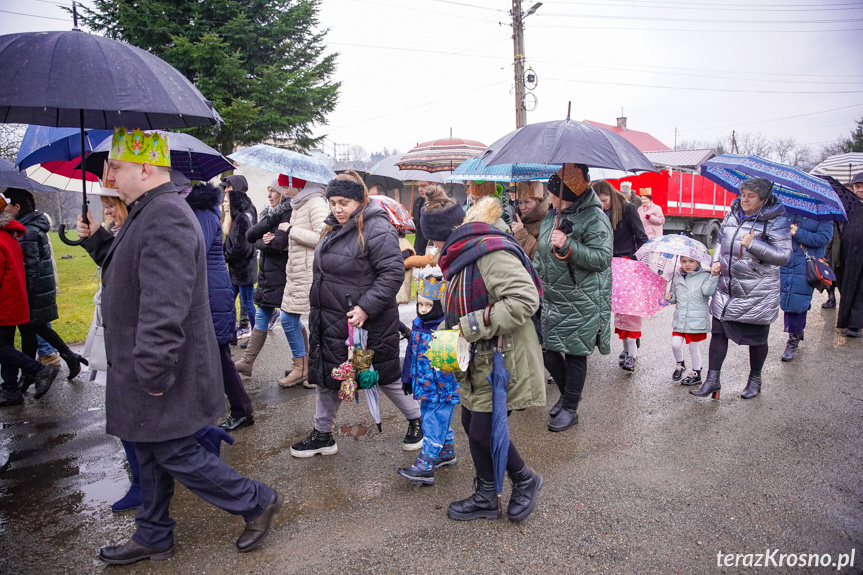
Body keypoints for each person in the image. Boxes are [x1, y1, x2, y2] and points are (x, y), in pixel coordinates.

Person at [76, 128, 280, 563]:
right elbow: (133, 274)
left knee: (174, 451)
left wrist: (152, 369)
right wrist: (97, 239)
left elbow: (163, 305)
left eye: (115, 166)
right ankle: (153, 533)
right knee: (147, 445)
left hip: (160, 364)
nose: (107, 175)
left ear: (146, 168)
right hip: (145, 361)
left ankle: (256, 500)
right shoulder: (146, 211)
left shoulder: (164, 213)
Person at [424, 189, 545, 523]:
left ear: (452, 232)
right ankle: (487, 495)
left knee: (483, 430)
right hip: (476, 356)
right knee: (471, 424)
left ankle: (523, 480)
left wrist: (469, 325)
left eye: (435, 240)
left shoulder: (489, 252)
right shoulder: (463, 252)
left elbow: (524, 300)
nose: (433, 248)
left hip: (501, 356)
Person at [290, 172, 424, 457]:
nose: (338, 209)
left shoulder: (376, 227)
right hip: (332, 319)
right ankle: (323, 434)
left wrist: (365, 307)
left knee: (382, 376)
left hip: (365, 322)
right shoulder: (333, 227)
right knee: (329, 375)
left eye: (344, 202)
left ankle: (417, 419)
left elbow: (392, 273)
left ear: (360, 201)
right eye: (333, 202)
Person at [692, 177, 792, 400]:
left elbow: (783, 256)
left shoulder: (777, 221)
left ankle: (755, 379)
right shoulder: (733, 213)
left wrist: (754, 244)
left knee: (757, 339)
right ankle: (712, 379)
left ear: (764, 200)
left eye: (751, 196)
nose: (744, 199)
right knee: (718, 332)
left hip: (757, 291)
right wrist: (716, 262)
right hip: (728, 287)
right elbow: (720, 242)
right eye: (743, 194)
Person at [535, 165, 613, 432]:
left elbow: (602, 259)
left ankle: (571, 407)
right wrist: (532, 278)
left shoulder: (595, 217)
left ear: (563, 193)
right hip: (554, 295)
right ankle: (569, 396)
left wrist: (568, 244)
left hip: (582, 296)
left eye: (551, 194)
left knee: (576, 352)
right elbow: (542, 253)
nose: (548, 198)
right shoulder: (553, 215)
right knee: (548, 350)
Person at [183, 181, 255, 432]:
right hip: (205, 289)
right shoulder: (196, 209)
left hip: (210, 292)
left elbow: (194, 249)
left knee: (220, 356)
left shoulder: (201, 211)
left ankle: (242, 410)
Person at [3, 188, 87, 391]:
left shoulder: (27, 230)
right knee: (35, 328)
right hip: (36, 287)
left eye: (7, 206)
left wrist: (27, 297)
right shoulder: (29, 225)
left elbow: (30, 267)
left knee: (31, 328)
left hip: (32, 290)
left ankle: (32, 373)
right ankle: (67, 357)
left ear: (17, 207)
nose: (4, 211)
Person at [397, 265, 459, 485]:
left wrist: (443, 389)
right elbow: (411, 354)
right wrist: (407, 378)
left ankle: (427, 462)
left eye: (428, 305)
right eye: (420, 304)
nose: (423, 309)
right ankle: (446, 451)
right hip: (424, 386)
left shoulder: (443, 328)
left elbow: (447, 367)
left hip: (441, 389)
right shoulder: (417, 324)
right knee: (433, 417)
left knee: (434, 420)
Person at [0, 199, 60, 406]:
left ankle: (40, 370)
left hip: (5, 302)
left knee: (2, 347)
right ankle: (10, 389)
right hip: (13, 300)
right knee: (5, 345)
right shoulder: (8, 235)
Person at [233, 177, 293, 381]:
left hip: (281, 274)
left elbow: (278, 244)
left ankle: (303, 364)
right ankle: (248, 362)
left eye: (273, 191)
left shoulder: (287, 211)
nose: (269, 195)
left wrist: (265, 239)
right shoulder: (269, 213)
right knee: (262, 316)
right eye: (267, 190)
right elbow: (251, 236)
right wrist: (265, 239)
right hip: (267, 273)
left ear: (282, 193)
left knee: (291, 319)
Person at [277, 176, 329, 387]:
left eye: (285, 185)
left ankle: (305, 368)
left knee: (294, 320)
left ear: (297, 184)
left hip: (309, 273)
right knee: (292, 320)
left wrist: (291, 230)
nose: (283, 190)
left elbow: (322, 237)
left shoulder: (315, 202)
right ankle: (304, 364)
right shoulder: (298, 204)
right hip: (297, 273)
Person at [593, 180, 649, 372]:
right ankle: (627, 347)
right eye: (598, 201)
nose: (602, 204)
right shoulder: (596, 213)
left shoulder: (628, 209)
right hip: (605, 266)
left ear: (611, 195)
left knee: (628, 312)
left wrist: (635, 261)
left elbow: (642, 238)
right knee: (615, 311)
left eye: (605, 200)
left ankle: (630, 352)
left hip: (626, 264)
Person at [778, 214, 833, 360]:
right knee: (787, 298)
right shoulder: (789, 207)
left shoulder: (823, 212)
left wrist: (799, 233)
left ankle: (792, 340)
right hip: (786, 260)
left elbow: (824, 237)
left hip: (806, 264)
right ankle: (798, 330)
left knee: (798, 301)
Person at [664, 255, 719, 387]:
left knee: (694, 347)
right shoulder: (677, 276)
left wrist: (714, 276)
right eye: (684, 261)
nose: (687, 264)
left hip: (696, 320)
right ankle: (680, 364)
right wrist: (669, 297)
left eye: (691, 261)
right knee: (675, 344)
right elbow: (675, 298)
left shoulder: (705, 275)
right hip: (681, 319)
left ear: (697, 261)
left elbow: (708, 291)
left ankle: (696, 373)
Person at [221, 175, 257, 341]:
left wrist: (226, 256)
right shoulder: (236, 215)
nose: (226, 192)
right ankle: (239, 328)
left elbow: (243, 244)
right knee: (232, 299)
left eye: (228, 188)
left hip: (244, 267)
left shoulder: (246, 213)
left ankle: (255, 331)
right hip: (237, 268)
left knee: (247, 302)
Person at [835, 172, 863, 338]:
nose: (860, 190)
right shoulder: (848, 205)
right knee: (846, 285)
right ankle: (846, 320)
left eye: (862, 187)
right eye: (857, 186)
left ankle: (856, 324)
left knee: (860, 289)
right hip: (846, 254)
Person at [511, 180, 548, 260]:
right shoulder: (520, 219)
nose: (522, 207)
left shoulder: (547, 222)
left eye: (527, 202)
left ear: (538, 202)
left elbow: (542, 257)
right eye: (520, 203)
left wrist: (521, 233)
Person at [411, 180, 433, 256]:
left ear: (432, 184)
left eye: (423, 186)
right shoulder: (417, 202)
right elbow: (415, 228)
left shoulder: (439, 203)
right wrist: (410, 222)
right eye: (418, 186)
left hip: (432, 246)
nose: (420, 189)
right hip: (418, 247)